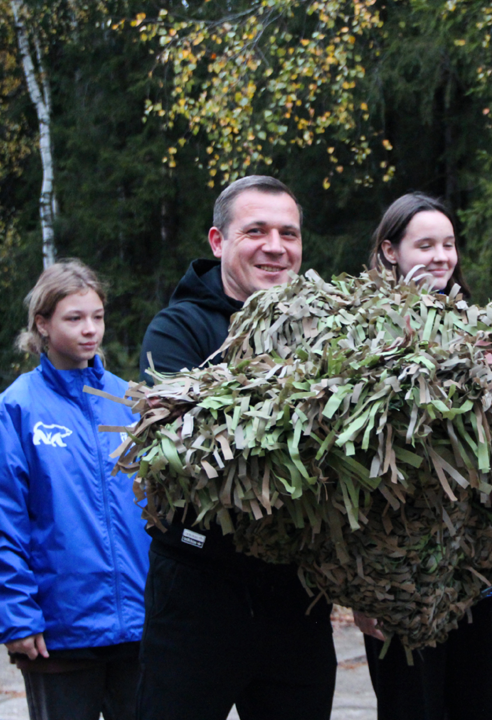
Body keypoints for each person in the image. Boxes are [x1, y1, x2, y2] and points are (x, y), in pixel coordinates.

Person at [136, 176, 336, 720]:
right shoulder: (177, 329)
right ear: (218, 241)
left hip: (296, 592)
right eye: (257, 230)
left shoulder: (330, 331)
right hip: (199, 589)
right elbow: (191, 448)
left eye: (288, 233)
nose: (276, 246)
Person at [354, 192, 492, 720]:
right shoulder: (357, 331)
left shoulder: (486, 331)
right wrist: (362, 590)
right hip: (404, 581)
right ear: (390, 251)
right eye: (426, 245)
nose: (441, 256)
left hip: (483, 578)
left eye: (449, 244)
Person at [0, 260, 149, 720]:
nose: (90, 330)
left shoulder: (130, 401)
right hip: (60, 632)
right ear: (43, 324)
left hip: (138, 626)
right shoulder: (15, 410)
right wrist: (16, 617)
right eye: (74, 318)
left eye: (98, 316)